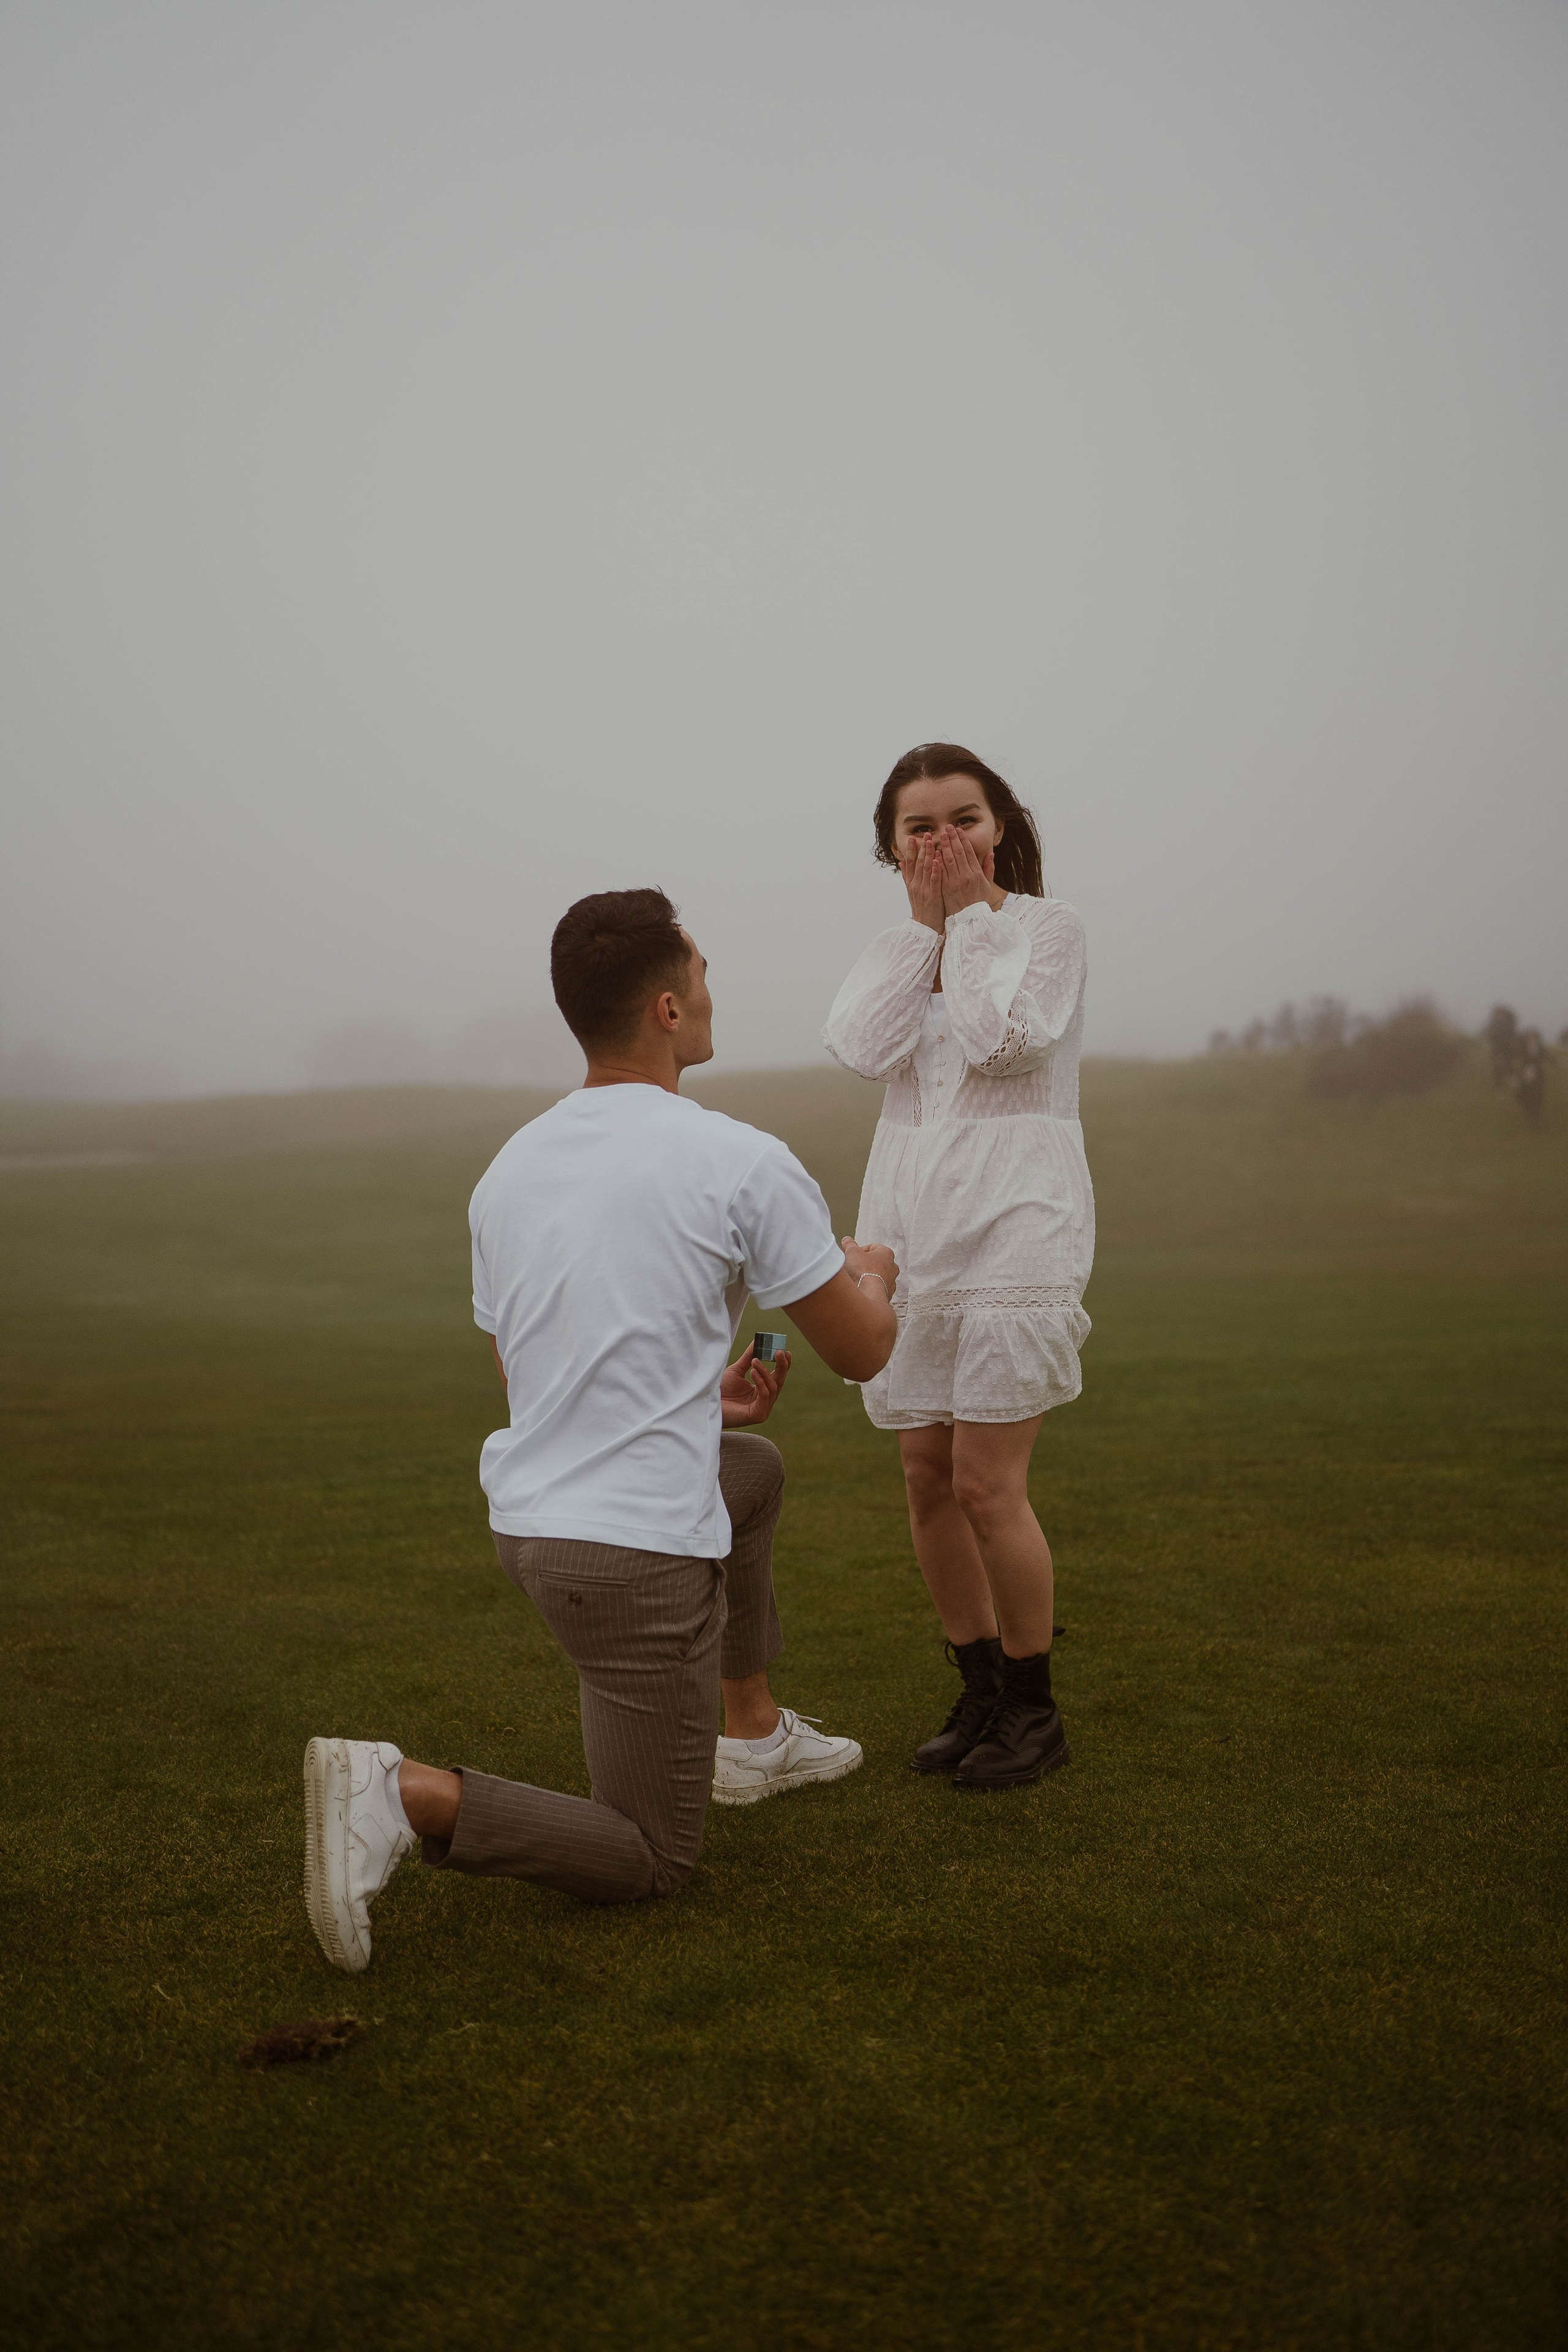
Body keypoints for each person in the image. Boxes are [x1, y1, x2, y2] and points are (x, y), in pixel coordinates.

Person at [304, 888, 898, 1975]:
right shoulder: (741, 1159)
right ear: (668, 1009)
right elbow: (862, 1352)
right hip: (628, 1561)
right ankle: (403, 1793)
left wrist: (699, 1400)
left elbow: (528, 1374)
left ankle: (751, 1734)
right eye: (703, 978)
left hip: (533, 1527)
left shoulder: (510, 1169)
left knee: (750, 1471)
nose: (711, 995)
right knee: (650, 1857)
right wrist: (873, 1276)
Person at [823, 744, 1092, 1792]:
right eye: (919, 828)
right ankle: (977, 1686)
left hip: (1016, 1220)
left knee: (986, 1481)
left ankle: (1032, 1707)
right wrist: (925, 934)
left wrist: (973, 922)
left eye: (964, 820)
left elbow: (1003, 1041)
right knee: (925, 1475)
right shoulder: (900, 949)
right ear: (890, 848)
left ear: (1001, 826)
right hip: (908, 1226)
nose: (944, 843)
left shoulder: (1048, 931)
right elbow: (862, 1048)